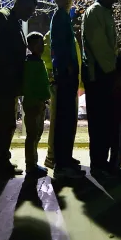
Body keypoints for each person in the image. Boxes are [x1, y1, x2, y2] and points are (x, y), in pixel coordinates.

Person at [0, 0, 38, 178]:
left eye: (32, 12)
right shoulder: (3, 17)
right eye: (28, 10)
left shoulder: (15, 21)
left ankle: (1, 159)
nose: (30, 14)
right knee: (4, 122)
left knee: (8, 123)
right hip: (4, 81)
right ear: (18, 3)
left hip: (11, 82)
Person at [82, 0, 121, 178]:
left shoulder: (105, 12)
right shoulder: (95, 11)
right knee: (99, 124)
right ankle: (98, 165)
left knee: (106, 123)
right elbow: (99, 46)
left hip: (104, 75)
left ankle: (104, 163)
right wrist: (115, 71)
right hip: (98, 76)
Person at [50, 0, 84, 178]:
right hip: (66, 76)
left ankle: (66, 158)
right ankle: (61, 164)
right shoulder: (60, 17)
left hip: (68, 76)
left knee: (69, 119)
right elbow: (59, 46)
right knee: (64, 120)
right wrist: (66, 68)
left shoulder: (64, 17)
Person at [42, 28, 84, 169]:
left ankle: (65, 155)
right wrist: (54, 75)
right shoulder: (53, 34)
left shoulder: (69, 36)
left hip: (71, 84)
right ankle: (52, 156)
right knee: (58, 122)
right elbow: (47, 57)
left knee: (69, 122)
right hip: (60, 84)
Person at [22, 32, 50, 178]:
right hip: (34, 103)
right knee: (33, 135)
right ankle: (30, 165)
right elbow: (35, 84)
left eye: (42, 44)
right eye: (38, 44)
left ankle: (33, 162)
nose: (42, 47)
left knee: (36, 134)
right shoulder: (32, 64)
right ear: (30, 46)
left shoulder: (34, 62)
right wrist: (45, 95)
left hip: (37, 102)